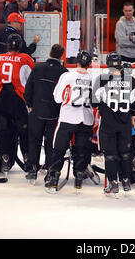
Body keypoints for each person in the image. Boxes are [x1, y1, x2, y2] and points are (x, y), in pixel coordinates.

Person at [92, 52, 135, 197]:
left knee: (111, 154)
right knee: (125, 153)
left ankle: (113, 183)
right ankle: (125, 181)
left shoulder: (101, 79)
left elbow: (94, 102)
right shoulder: (130, 80)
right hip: (125, 123)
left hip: (108, 123)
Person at [45, 50, 94, 193]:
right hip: (86, 119)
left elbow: (57, 98)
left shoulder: (67, 76)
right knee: (81, 150)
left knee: (59, 149)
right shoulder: (93, 78)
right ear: (89, 64)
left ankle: (53, 177)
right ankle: (79, 175)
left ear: (76, 61)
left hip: (68, 117)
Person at [0, 33, 35, 176]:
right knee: (24, 132)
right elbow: (31, 80)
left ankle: (5, 159)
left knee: (3, 133)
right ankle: (28, 159)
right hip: (18, 99)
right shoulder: (26, 59)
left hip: (1, 99)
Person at [24, 44, 68, 184]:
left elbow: (28, 89)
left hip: (37, 111)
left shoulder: (38, 68)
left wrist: (30, 105)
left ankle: (32, 169)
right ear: (61, 56)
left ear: (50, 52)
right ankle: (50, 169)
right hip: (54, 114)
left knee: (34, 141)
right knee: (51, 143)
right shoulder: (64, 72)